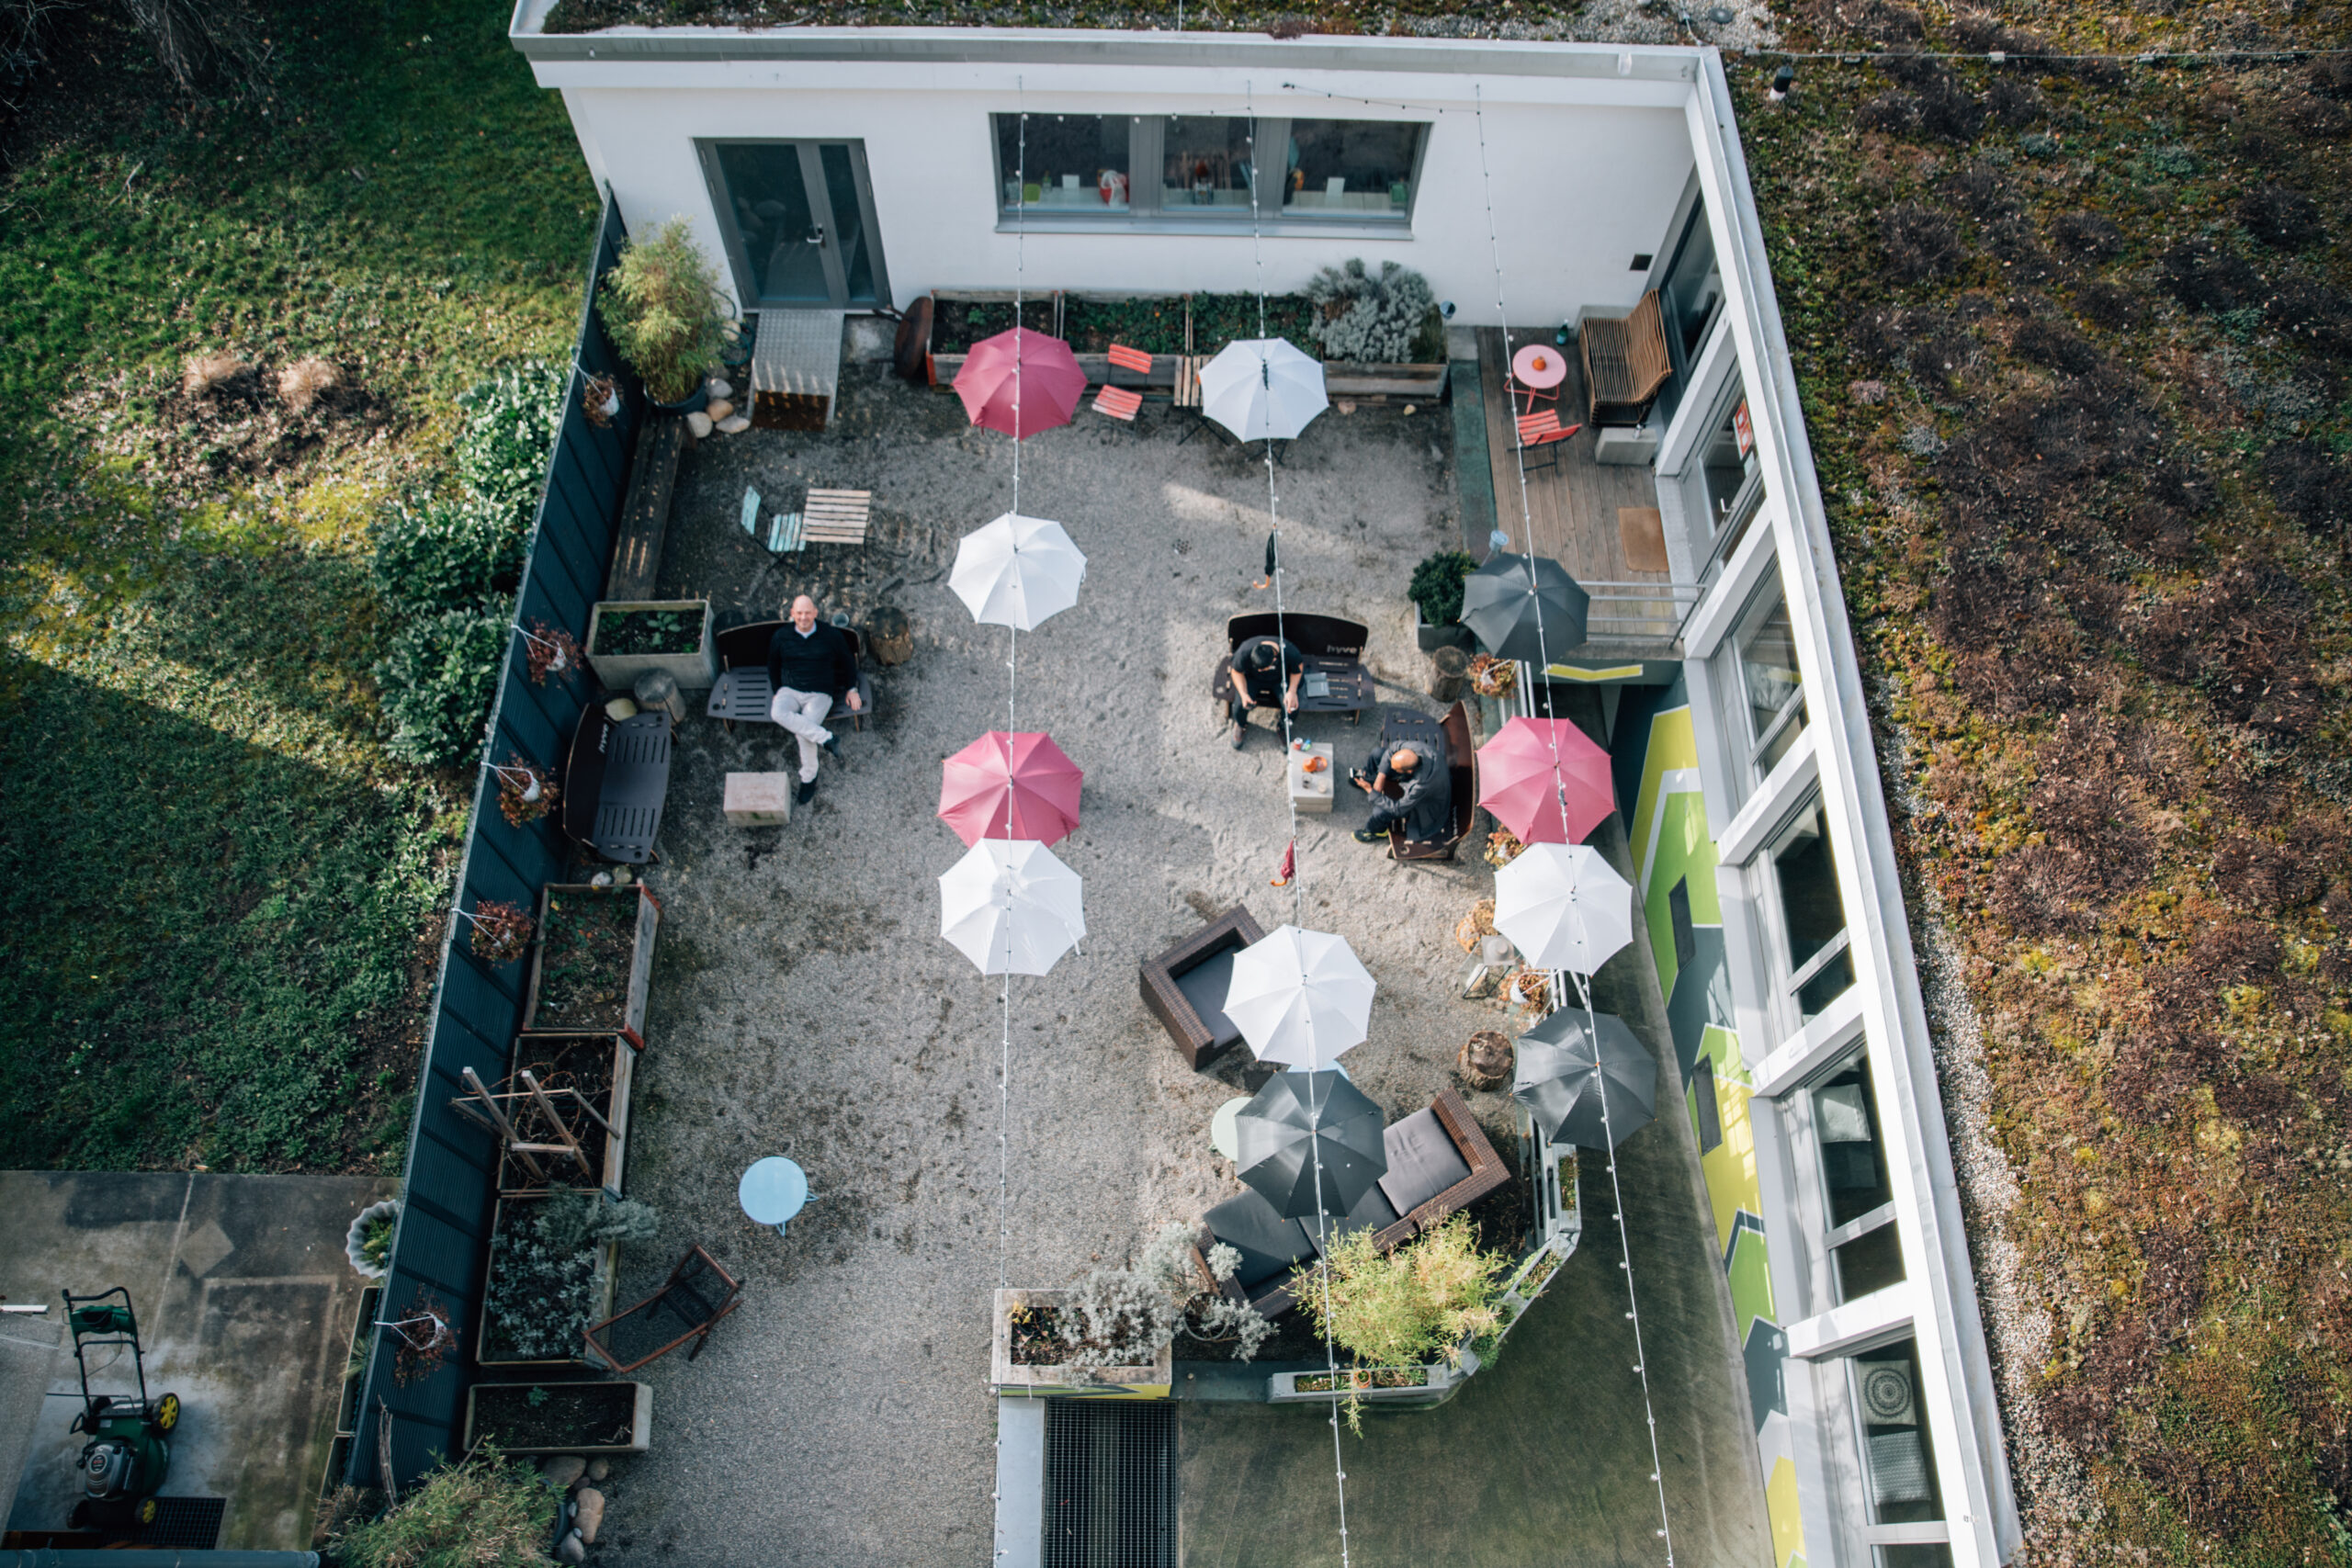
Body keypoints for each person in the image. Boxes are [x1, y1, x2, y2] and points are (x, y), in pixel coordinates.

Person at [767, 594, 861, 805]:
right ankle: (827, 738)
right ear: (792, 614)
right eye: (799, 613)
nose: (803, 617)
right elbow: (773, 665)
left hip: (819, 693)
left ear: (815, 613)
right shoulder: (782, 636)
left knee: (803, 735)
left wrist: (851, 688)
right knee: (777, 712)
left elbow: (847, 662)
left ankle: (808, 778)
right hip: (789, 689)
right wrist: (776, 690)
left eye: (807, 612)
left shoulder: (830, 635)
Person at [1350, 736, 1452, 845]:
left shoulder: (1421, 785)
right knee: (1378, 753)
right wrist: (1381, 777)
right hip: (1419, 781)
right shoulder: (1417, 748)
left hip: (1425, 803)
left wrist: (1371, 791)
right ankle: (1367, 778)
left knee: (1380, 812)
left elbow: (1398, 809)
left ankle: (1375, 831)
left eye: (1395, 769)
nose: (1392, 769)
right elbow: (1393, 748)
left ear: (1409, 771)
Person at [1225, 633, 1303, 749]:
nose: (1260, 670)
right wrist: (1243, 693)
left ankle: (1282, 728)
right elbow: (1236, 672)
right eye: (1258, 668)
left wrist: (1292, 691)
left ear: (1274, 659)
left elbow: (1298, 670)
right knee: (1240, 705)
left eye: (1263, 668)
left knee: (1292, 708)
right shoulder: (1245, 650)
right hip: (1252, 679)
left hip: (1279, 679)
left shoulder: (1289, 651)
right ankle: (1241, 725)